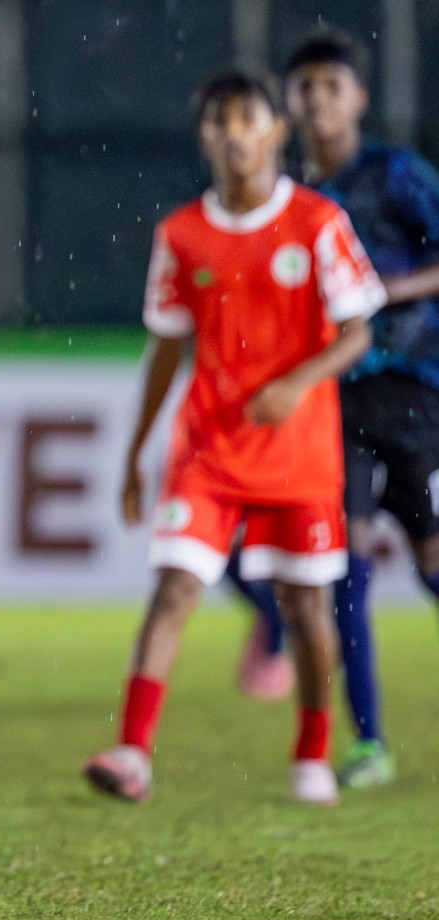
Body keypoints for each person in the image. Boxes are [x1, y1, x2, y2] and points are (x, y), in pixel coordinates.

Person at [84, 71, 384, 806]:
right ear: (205, 137)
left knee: (305, 607)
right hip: (207, 450)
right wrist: (131, 453)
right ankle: (131, 752)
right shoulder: (180, 234)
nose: (235, 134)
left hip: (298, 453)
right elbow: (164, 349)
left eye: (248, 119)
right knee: (175, 588)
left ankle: (312, 750)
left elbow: (357, 331)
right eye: (220, 122)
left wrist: (293, 383)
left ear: (275, 132)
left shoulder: (316, 222)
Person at [272, 31, 439, 789]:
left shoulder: (395, 174)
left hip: (411, 388)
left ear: (357, 98)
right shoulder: (288, 198)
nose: (316, 100)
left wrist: (383, 293)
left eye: (329, 85)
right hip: (330, 397)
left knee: (428, 557)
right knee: (342, 566)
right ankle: (367, 742)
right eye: (303, 87)